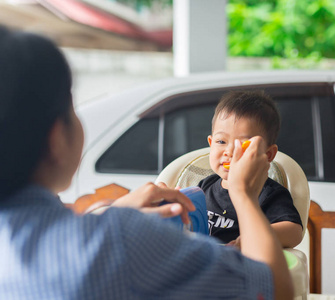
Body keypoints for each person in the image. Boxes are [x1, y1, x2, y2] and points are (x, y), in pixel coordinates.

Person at [0, 27, 293, 299]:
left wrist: (110, 214)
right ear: (56, 139)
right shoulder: (123, 240)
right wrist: (244, 195)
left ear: (268, 153)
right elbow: (273, 290)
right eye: (72, 106)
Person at [199, 90, 303, 248]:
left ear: (267, 155)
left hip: (242, 268)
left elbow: (294, 232)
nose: (230, 151)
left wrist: (251, 238)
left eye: (244, 145)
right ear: (210, 143)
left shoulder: (268, 194)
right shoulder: (204, 186)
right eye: (221, 141)